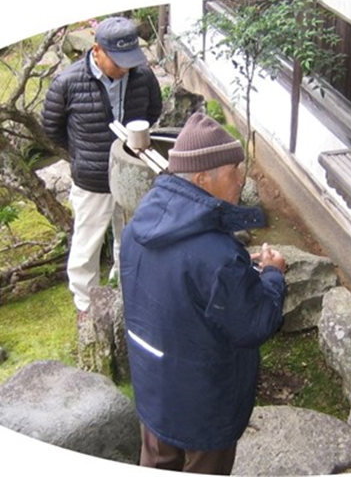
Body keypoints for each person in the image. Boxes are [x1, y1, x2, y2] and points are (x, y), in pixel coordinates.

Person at [119, 112, 287, 474]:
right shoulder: (218, 257)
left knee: (157, 463)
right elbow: (255, 324)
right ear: (201, 179)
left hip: (154, 384)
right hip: (206, 402)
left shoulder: (137, 227)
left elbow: (171, 291)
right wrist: (273, 274)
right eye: (233, 171)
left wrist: (239, 273)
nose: (242, 179)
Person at [41, 16, 162, 318]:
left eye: (130, 61)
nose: (125, 69)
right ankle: (85, 304)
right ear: (96, 51)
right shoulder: (67, 82)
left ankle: (124, 285)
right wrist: (82, 154)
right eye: (119, 61)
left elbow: (153, 110)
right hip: (91, 178)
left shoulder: (143, 76)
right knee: (87, 243)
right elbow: (52, 129)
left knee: (130, 234)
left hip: (131, 172)